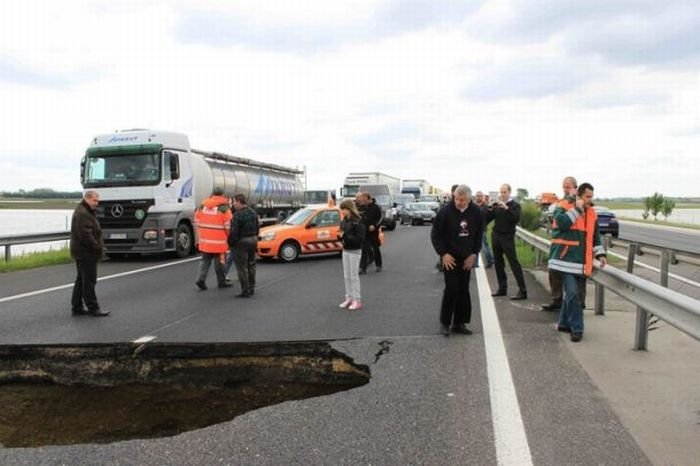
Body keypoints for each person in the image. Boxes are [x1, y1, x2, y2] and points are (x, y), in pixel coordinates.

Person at [549, 182, 607, 342]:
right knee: (573, 294)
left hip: (582, 262)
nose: (590, 200)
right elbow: (562, 223)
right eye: (587, 197)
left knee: (574, 296)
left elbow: (595, 237)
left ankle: (563, 323)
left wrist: (601, 254)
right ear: (579, 196)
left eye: (591, 197)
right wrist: (577, 209)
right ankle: (577, 328)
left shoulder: (592, 213)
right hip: (564, 259)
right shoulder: (563, 206)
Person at [431, 185, 483, 336]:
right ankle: (445, 323)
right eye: (456, 198)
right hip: (450, 257)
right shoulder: (445, 211)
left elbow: (479, 234)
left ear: (468, 199)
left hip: (467, 257)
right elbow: (436, 235)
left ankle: (460, 323)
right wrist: (443, 254)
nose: (458, 202)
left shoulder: (476, 212)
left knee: (463, 290)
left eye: (462, 200)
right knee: (452, 289)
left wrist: (474, 254)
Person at [541, 176, 587, 312]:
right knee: (554, 273)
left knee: (578, 278)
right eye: (564, 187)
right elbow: (559, 222)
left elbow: (566, 223)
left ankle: (579, 303)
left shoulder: (582, 204)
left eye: (568, 187)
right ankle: (557, 299)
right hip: (558, 245)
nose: (565, 189)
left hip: (576, 247)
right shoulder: (561, 203)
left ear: (575, 188)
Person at [70, 190, 109, 317]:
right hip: (86, 252)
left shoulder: (84, 211)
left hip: (82, 252)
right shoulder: (83, 213)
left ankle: (77, 306)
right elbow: (86, 234)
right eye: (95, 200)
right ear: (87, 199)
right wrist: (97, 247)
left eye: (98, 201)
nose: (97, 203)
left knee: (81, 280)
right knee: (89, 281)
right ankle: (93, 307)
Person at [487, 183, 527, 300]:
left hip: (507, 237)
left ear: (509, 192)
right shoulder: (497, 205)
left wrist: (506, 208)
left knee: (513, 263)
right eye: (501, 192)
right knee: (498, 263)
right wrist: (489, 208)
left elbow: (515, 219)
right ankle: (502, 288)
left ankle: (523, 290)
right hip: (496, 236)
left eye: (504, 192)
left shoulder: (515, 205)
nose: (502, 195)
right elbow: (488, 219)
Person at [194, 187, 233, 290]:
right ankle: (222, 281)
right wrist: (230, 238)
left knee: (205, 261)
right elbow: (228, 226)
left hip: (205, 241)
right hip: (219, 243)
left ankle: (201, 279)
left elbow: (197, 222)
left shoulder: (202, 207)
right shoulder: (224, 209)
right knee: (220, 263)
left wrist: (202, 235)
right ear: (223, 195)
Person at [229, 194, 259, 298]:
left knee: (242, 267)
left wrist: (231, 243)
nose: (233, 204)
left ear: (239, 202)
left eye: (234, 202)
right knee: (251, 264)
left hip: (241, 242)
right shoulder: (253, 212)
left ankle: (245, 290)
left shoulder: (237, 215)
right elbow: (257, 227)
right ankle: (252, 287)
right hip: (253, 239)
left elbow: (233, 232)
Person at [338, 199, 366, 310]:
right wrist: (340, 236)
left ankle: (357, 300)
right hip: (346, 250)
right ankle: (349, 298)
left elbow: (360, 239)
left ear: (349, 209)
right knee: (347, 276)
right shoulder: (344, 221)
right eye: (342, 209)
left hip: (355, 251)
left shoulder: (358, 221)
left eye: (344, 209)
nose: (342, 211)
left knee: (354, 276)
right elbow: (341, 233)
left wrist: (344, 236)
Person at [357, 192, 383, 274]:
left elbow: (380, 218)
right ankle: (362, 268)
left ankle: (378, 265)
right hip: (364, 231)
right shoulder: (361, 208)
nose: (362, 202)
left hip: (373, 231)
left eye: (363, 200)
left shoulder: (376, 207)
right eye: (361, 200)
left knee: (375, 248)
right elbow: (358, 218)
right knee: (364, 250)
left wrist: (374, 226)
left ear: (369, 199)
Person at [474, 191, 494, 268]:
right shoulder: (474, 206)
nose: (478, 197)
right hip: (474, 230)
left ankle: (490, 261)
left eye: (480, 196)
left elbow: (491, 216)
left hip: (482, 230)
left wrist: (486, 224)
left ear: (483, 197)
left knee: (484, 247)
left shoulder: (486, 206)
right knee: (475, 247)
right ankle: (475, 263)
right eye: (477, 196)